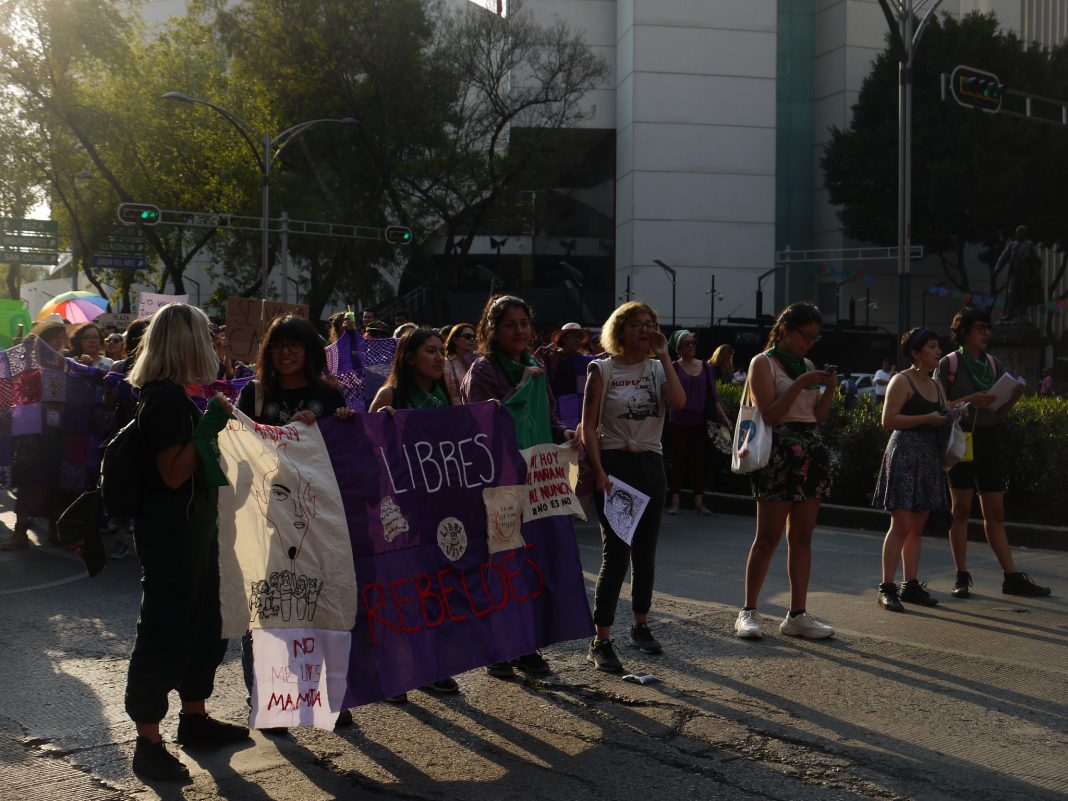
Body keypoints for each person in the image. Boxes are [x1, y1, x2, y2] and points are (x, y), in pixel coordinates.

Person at [123, 303, 250, 781]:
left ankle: (194, 717)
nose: (214, 341)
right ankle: (148, 742)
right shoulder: (163, 400)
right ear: (186, 342)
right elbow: (174, 474)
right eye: (206, 333)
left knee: (203, 625)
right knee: (164, 631)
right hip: (172, 536)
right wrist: (207, 429)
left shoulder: (175, 395)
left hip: (194, 532)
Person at [234, 315, 354, 729]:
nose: (286, 352)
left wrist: (337, 424)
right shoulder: (253, 394)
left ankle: (331, 696)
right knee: (269, 610)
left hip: (319, 522)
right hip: (266, 520)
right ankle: (270, 701)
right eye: (278, 345)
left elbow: (348, 452)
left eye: (295, 345)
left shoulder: (328, 395)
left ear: (310, 351)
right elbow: (237, 446)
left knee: (323, 605)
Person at [460, 294, 574, 678]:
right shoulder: (482, 371)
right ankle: (498, 648)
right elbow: (480, 425)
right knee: (501, 566)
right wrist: (520, 388)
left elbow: (550, 415)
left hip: (537, 481)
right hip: (498, 485)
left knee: (531, 564)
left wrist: (565, 433)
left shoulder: (536, 364)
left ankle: (527, 645)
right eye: (510, 324)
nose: (520, 331)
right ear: (492, 330)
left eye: (524, 323)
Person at [580, 302, 686, 672]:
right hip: (616, 465)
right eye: (637, 324)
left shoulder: (657, 368)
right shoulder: (602, 369)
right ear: (620, 330)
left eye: (650, 324)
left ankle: (641, 624)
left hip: (650, 464)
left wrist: (666, 358)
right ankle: (601, 639)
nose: (645, 330)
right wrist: (599, 471)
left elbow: (679, 403)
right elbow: (588, 426)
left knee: (645, 552)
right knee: (617, 555)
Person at [734, 302, 837, 641]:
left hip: (810, 449)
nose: (809, 343)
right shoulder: (762, 363)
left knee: (802, 536)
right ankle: (748, 611)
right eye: (805, 335)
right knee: (768, 537)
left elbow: (818, 417)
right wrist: (802, 382)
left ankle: (797, 614)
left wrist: (829, 388)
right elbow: (771, 413)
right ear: (786, 330)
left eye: (814, 338)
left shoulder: (805, 364)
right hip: (778, 452)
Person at [368, 328, 461, 701]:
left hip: (435, 508)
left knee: (433, 589)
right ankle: (394, 673)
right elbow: (366, 449)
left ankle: (429, 667)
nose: (440, 358)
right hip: (397, 512)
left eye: (442, 351)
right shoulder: (389, 395)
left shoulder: (445, 396)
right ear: (408, 357)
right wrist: (382, 425)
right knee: (400, 592)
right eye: (430, 351)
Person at [934, 307, 1051, 598]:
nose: (986, 334)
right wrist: (970, 400)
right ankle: (961, 575)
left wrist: (1013, 398)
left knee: (995, 512)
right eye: (981, 328)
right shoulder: (949, 364)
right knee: (960, 509)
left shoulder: (994, 364)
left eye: (988, 328)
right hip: (961, 438)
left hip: (988, 439)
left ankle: (1011, 577)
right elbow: (937, 408)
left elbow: (999, 414)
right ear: (964, 332)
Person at [873, 328, 950, 612]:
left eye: (938, 346)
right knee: (902, 525)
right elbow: (888, 419)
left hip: (928, 456)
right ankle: (886, 586)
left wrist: (956, 411)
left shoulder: (936, 383)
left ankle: (911, 584)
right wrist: (928, 417)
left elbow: (942, 413)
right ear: (916, 353)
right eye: (932, 347)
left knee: (917, 526)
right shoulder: (901, 380)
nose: (938, 351)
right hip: (905, 453)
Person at [0, 317, 74, 551]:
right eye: (55, 336)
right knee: (27, 479)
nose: (59, 340)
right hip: (30, 433)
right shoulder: (27, 362)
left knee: (56, 483)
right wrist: (18, 353)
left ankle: (55, 530)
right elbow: (11, 384)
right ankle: (20, 533)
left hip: (58, 433)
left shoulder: (67, 364)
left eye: (62, 336)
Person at [666, 329, 730, 516]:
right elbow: (667, 394)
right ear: (678, 347)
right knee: (678, 461)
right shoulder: (674, 367)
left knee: (698, 462)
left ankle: (699, 502)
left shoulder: (705, 367)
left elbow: (714, 396)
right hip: (678, 420)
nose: (691, 346)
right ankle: (675, 502)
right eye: (686, 343)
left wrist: (725, 418)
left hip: (699, 420)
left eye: (693, 342)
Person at [994, 225, 1043, 321]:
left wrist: (1035, 273)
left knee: (1023, 293)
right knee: (1011, 293)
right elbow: (1003, 257)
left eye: (1020, 232)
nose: (1017, 234)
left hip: (1025, 273)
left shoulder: (1029, 245)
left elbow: (1036, 260)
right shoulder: (1012, 244)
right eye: (1017, 232)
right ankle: (1010, 313)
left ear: (1024, 234)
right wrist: (997, 269)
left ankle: (1021, 313)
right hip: (1014, 273)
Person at [533, 322, 591, 400]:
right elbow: (533, 361)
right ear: (563, 338)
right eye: (573, 336)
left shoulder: (585, 360)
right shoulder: (549, 357)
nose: (577, 340)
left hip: (579, 406)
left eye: (579, 337)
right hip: (556, 405)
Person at [442, 322, 477, 405]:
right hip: (457, 413)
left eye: (474, 336)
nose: (472, 339)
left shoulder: (478, 362)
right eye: (467, 337)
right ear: (455, 340)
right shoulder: (446, 364)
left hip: (476, 412)